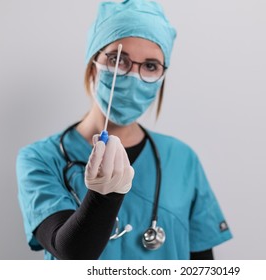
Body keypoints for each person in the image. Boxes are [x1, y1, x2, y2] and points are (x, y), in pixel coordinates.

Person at [16, 0, 232, 260]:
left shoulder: (182, 159)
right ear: (93, 61)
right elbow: (72, 253)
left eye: (150, 66)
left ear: (162, 75)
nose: (131, 76)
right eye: (119, 60)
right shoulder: (41, 158)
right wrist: (102, 195)